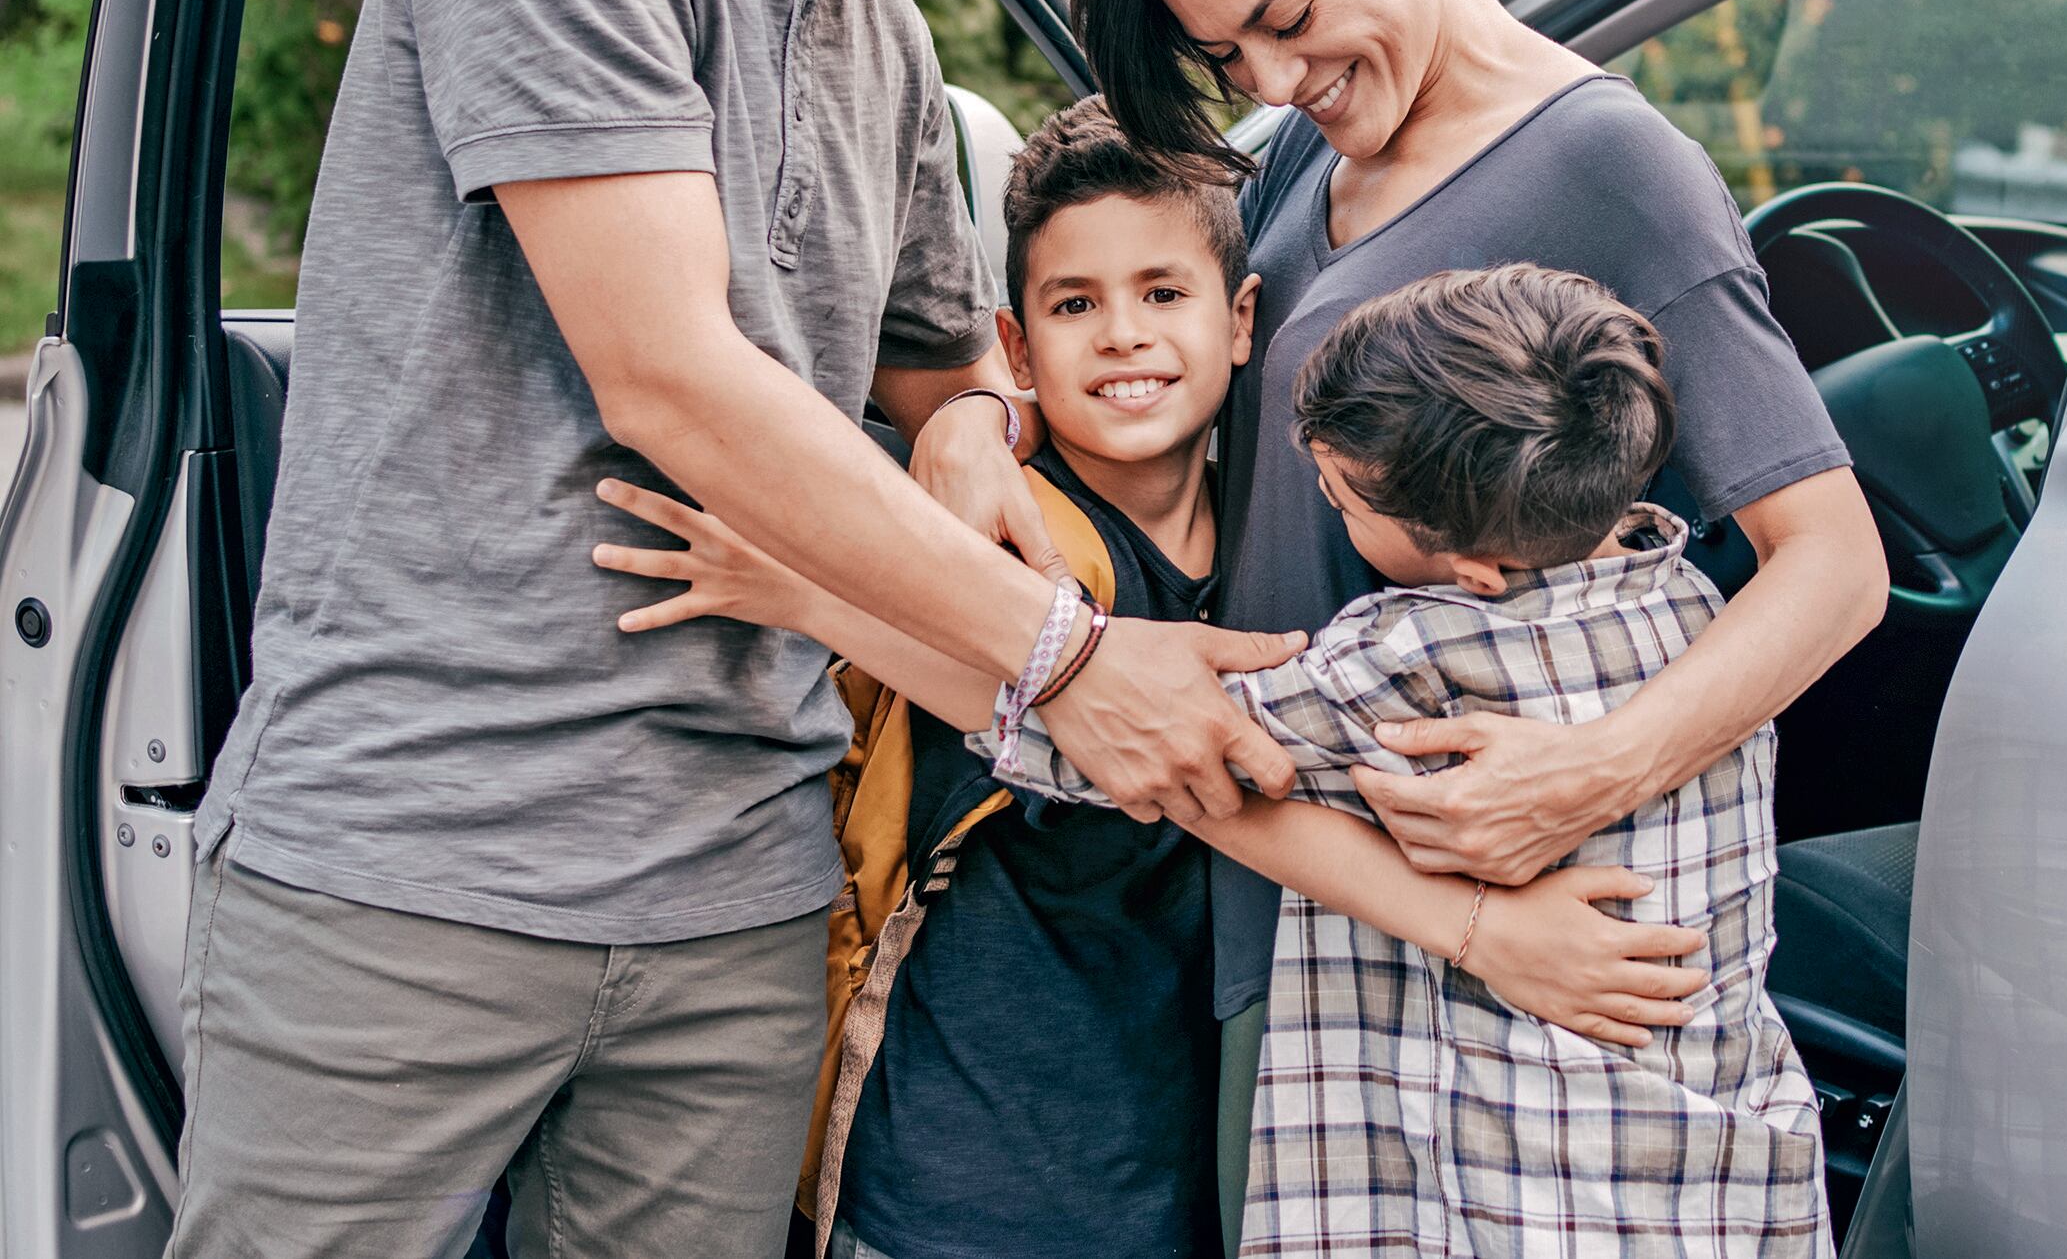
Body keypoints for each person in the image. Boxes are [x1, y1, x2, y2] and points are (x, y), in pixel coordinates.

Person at [170, 0, 1296, 1259]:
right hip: (419, 857)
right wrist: (1059, 659)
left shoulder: (889, 37)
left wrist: (961, 425)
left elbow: (950, 355)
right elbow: (673, 374)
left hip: (745, 895)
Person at [1034, 0, 1893, 1239]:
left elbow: (1830, 561)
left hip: (1482, 940)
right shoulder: (1312, 150)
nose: (1275, 73)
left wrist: (1597, 767)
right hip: (1290, 879)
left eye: (1291, 17)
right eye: (1230, 49)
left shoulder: (1609, 168)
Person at [597, 121, 1720, 1258]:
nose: (1124, 334)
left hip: (1190, 1150)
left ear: (1240, 321)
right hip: (970, 1166)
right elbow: (1152, 763)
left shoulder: (1295, 533)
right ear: (1017, 347)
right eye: (1075, 305)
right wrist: (819, 585)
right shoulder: (1001, 551)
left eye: (1162, 292)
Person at [994, 263, 1833, 1256]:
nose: (1327, 501)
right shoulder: (1698, 611)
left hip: (1520, 1197)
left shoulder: (1419, 655)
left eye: (1345, 502)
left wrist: (841, 602)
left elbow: (1126, 742)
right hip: (1713, 1168)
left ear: (1476, 572)